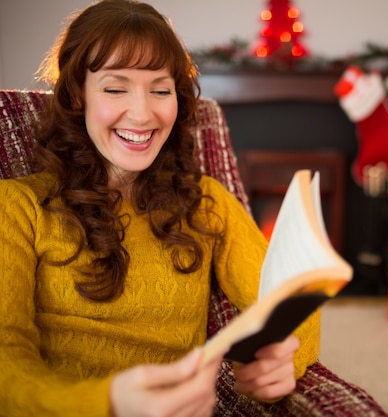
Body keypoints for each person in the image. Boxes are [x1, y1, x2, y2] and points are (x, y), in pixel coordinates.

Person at [0, 1, 321, 416]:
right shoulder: (18, 207)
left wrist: (281, 363)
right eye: (115, 88)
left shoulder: (206, 204)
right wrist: (108, 403)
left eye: (160, 89)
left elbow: (292, 303)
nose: (143, 112)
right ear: (78, 95)